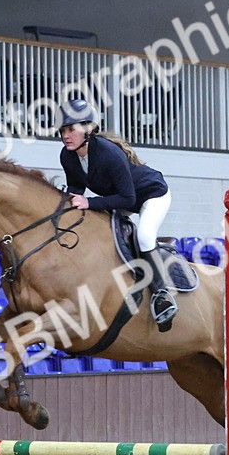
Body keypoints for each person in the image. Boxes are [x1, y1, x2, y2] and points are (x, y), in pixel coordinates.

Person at [58, 98, 178, 331]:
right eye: (63, 130)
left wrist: (89, 202)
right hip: (120, 198)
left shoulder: (108, 153)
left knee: (144, 236)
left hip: (151, 196)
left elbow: (128, 199)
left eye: (71, 129)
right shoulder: (68, 156)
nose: (66, 135)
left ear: (89, 129)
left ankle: (162, 295)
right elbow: (76, 192)